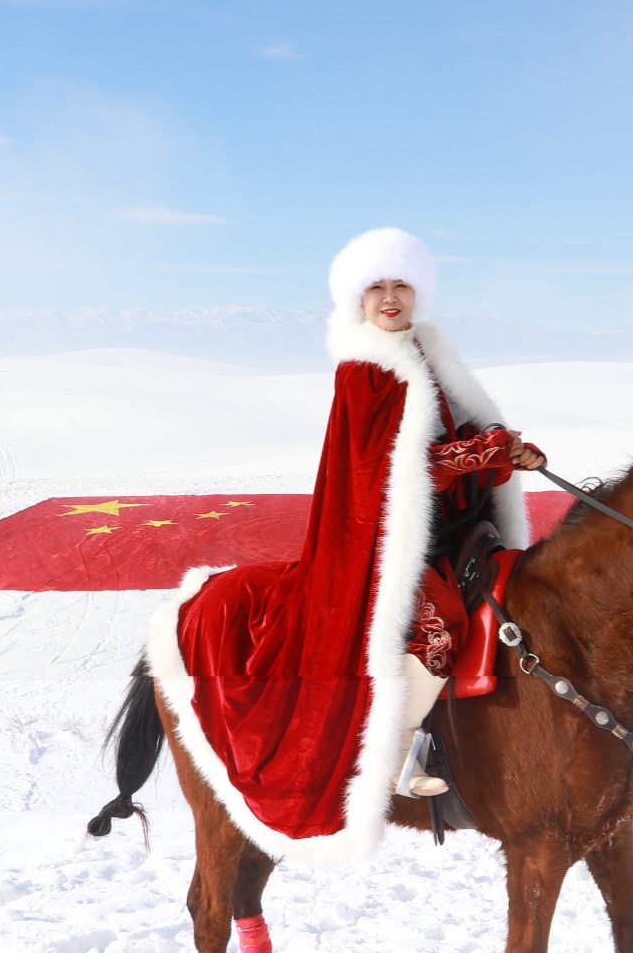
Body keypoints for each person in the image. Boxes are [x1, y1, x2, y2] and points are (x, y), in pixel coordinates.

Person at [145, 228, 545, 864]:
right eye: (376, 287)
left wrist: (505, 452)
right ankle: (402, 750)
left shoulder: (428, 353)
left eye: (401, 285)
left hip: (456, 533)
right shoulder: (366, 369)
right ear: (358, 298)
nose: (389, 298)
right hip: (387, 547)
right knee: (437, 626)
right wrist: (479, 453)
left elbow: (462, 437)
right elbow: (386, 471)